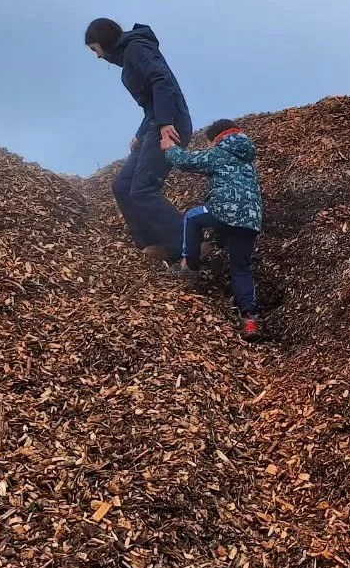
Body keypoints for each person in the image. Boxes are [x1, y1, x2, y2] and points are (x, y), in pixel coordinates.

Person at [84, 18, 194, 265]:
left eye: (95, 49)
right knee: (122, 185)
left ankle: (190, 242)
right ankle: (156, 244)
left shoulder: (136, 48)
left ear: (104, 42)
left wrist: (166, 124)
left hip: (170, 125)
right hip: (155, 125)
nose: (97, 56)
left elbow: (162, 81)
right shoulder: (129, 57)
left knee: (143, 189)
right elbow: (149, 105)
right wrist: (141, 133)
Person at [163, 120, 265, 341]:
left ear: (216, 138)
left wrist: (169, 148)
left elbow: (186, 161)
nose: (209, 147)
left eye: (209, 143)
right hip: (250, 219)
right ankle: (250, 320)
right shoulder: (247, 159)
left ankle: (189, 267)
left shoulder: (220, 152)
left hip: (226, 210)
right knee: (241, 267)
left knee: (192, 217)